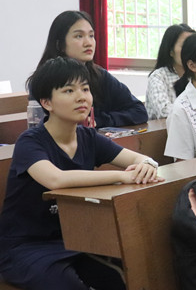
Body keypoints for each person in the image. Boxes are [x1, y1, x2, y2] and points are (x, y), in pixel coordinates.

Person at [0, 57, 163, 290]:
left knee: (122, 276)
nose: (81, 97)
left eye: (85, 89)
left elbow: (139, 159)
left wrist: (147, 164)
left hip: (74, 240)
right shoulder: (30, 142)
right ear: (47, 103)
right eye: (69, 90)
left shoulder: (88, 137)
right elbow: (55, 179)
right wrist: (121, 176)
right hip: (25, 247)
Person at [33, 10, 148, 128]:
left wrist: (100, 121)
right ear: (60, 44)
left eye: (91, 36)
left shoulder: (99, 75)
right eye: (79, 36)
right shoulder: (44, 80)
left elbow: (139, 111)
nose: (88, 43)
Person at [145, 23, 196, 119]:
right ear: (171, 51)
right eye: (184, 46)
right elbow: (164, 111)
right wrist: (195, 113)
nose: (190, 51)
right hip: (163, 128)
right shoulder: (158, 77)